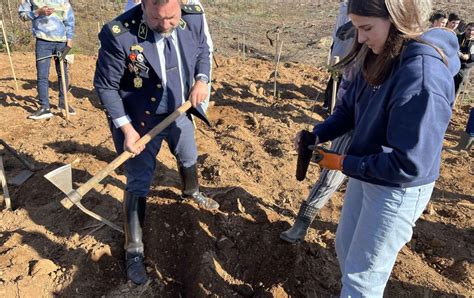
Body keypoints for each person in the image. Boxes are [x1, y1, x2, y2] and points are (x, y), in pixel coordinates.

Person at [296, 0, 460, 295]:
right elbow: (348, 110)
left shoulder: (422, 78)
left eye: (366, 28)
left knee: (363, 277)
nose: (360, 38)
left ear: (398, 20)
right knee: (345, 245)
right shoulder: (379, 53)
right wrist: (318, 134)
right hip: (370, 169)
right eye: (357, 28)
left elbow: (409, 165)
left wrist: (343, 164)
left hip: (397, 187)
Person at [93, 0, 217, 285]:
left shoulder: (194, 19)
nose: (165, 26)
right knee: (138, 181)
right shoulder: (119, 34)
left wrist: (201, 79)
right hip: (140, 122)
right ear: (143, 4)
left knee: (188, 154)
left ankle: (191, 191)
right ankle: (134, 250)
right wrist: (126, 129)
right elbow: (106, 86)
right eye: (157, 18)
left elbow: (202, 51)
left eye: (171, 18)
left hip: (180, 110)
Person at [280, 16, 357, 244]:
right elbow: (344, 111)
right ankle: (302, 223)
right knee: (329, 178)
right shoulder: (352, 71)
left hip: (379, 140)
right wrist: (318, 133)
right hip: (350, 128)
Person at [18, 0, 75, 120]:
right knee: (42, 75)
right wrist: (38, 12)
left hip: (62, 42)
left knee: (63, 74)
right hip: (42, 42)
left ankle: (63, 102)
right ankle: (45, 107)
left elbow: (69, 20)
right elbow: (22, 15)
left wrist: (69, 41)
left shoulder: (63, 1)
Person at [454, 22, 473, 96]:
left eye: (472, 30)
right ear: (465, 29)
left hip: (464, 67)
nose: (471, 32)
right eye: (469, 29)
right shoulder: (457, 37)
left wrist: (469, 56)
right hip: (453, 63)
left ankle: (451, 104)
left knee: (457, 86)